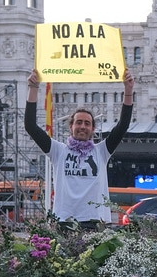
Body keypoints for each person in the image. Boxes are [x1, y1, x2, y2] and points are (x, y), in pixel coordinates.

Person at [24, 68, 135, 227]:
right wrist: (33, 88)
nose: (83, 126)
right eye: (79, 122)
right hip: (64, 221)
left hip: (95, 222)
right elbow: (30, 126)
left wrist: (128, 90)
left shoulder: (101, 151)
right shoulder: (58, 151)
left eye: (87, 123)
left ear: (93, 129)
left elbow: (123, 125)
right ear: (71, 126)